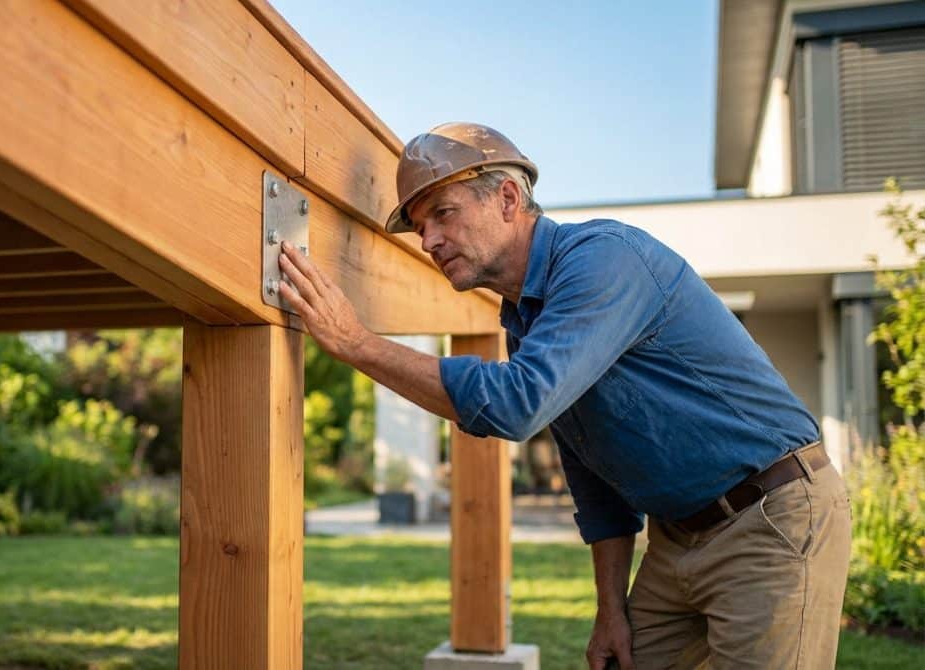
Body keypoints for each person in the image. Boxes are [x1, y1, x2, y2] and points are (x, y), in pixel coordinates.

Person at [276, 122, 851, 669]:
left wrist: (357, 344)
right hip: (677, 538)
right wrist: (610, 609)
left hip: (770, 519)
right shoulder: (524, 317)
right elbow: (594, 476)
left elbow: (516, 404)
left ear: (506, 198)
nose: (428, 240)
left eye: (443, 215)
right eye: (421, 225)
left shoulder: (603, 260)